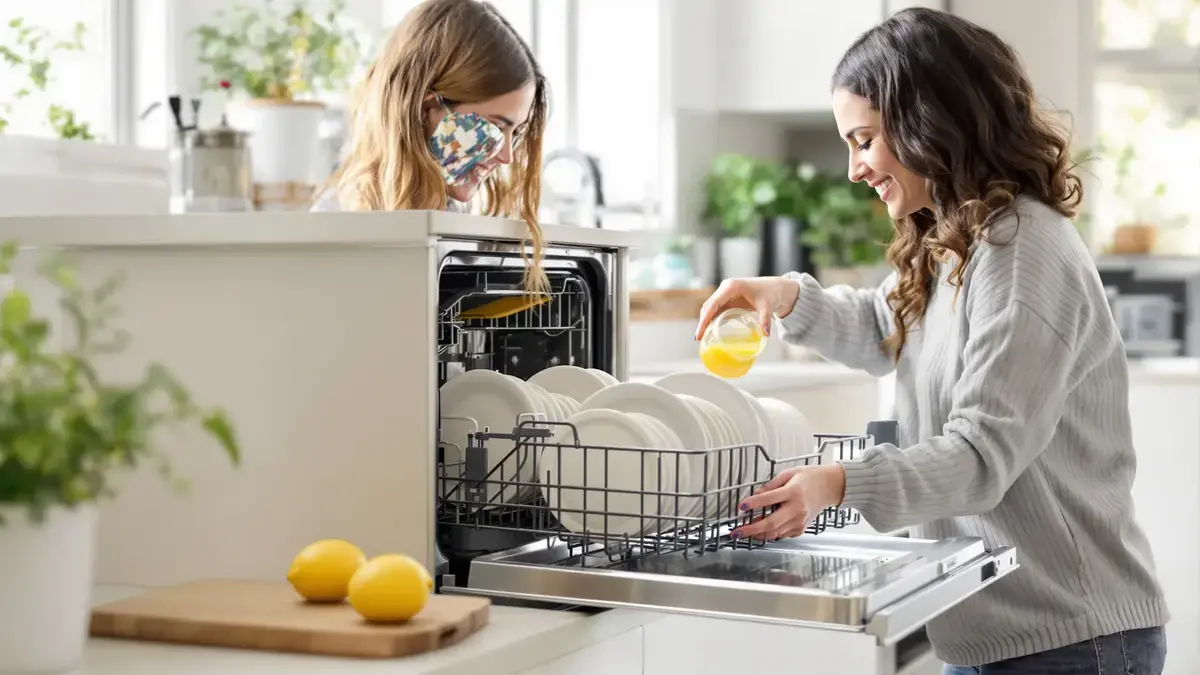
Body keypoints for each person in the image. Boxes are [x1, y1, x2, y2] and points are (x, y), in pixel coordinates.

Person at [695, 8, 1169, 674]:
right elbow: (888, 325)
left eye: (863, 139)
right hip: (992, 632)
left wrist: (838, 482)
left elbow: (980, 456)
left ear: (928, 122)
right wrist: (788, 297)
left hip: (1070, 639)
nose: (854, 168)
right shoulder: (957, 240)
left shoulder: (1021, 249)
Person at [313, 0, 549, 291]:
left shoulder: (460, 227)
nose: (506, 156)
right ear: (427, 109)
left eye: (516, 132)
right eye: (496, 127)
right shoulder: (336, 225)